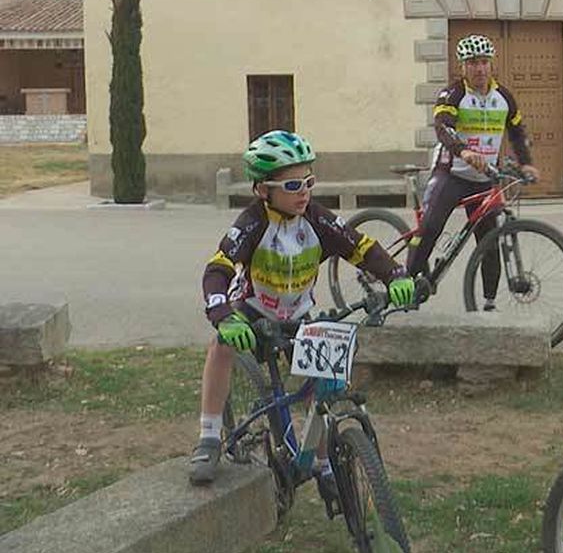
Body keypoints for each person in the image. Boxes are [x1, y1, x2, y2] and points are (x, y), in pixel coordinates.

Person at [189, 130, 415, 486]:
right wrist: (223, 315)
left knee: (320, 386)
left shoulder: (317, 219)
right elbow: (218, 268)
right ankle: (209, 437)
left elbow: (361, 247)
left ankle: (323, 465)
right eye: (293, 186)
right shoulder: (253, 222)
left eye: (309, 182)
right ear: (263, 190)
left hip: (296, 315)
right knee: (221, 346)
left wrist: (395, 275)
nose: (304, 192)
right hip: (251, 310)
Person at [405, 34, 539, 309]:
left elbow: (516, 131)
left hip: (483, 179)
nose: (479, 68)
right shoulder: (453, 94)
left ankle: (488, 303)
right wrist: (463, 150)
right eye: (472, 63)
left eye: (483, 62)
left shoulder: (504, 98)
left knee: (489, 242)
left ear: (491, 64)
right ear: (463, 66)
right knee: (429, 228)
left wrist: (526, 162)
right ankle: (404, 286)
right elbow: (443, 127)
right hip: (451, 174)